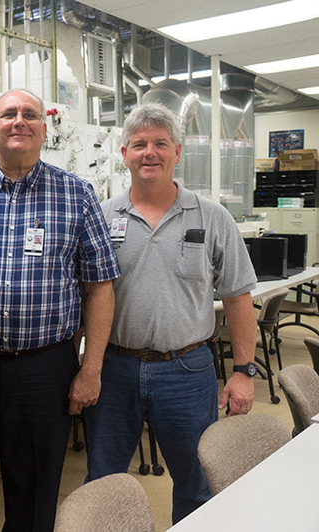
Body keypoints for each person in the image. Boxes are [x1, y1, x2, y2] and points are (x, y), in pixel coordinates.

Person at [0, 88, 120, 532]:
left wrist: (90, 369)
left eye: (30, 115)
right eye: (9, 115)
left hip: (44, 368)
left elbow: (100, 288)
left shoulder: (77, 194)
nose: (20, 121)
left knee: (34, 489)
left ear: (44, 129)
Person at [85, 102, 258, 524]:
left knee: (196, 480)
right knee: (102, 481)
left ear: (177, 152)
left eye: (161, 143)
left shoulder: (212, 217)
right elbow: (86, 295)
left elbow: (238, 298)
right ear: (124, 153)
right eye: (140, 144)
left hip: (188, 370)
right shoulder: (101, 216)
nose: (150, 152)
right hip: (115, 370)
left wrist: (243, 371)